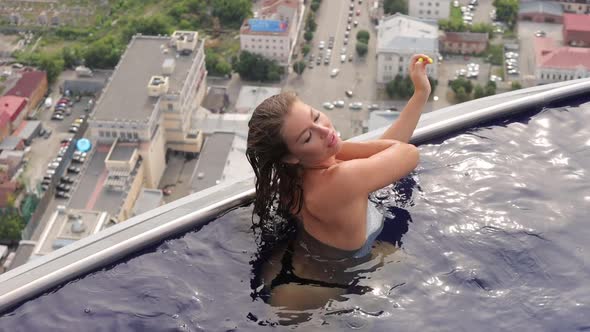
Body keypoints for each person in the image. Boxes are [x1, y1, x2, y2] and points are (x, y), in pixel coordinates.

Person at [246, 53, 432, 315]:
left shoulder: (292, 174)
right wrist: (339, 144)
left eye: (316, 117)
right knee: (416, 272)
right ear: (291, 155)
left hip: (287, 270)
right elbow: (406, 153)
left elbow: (380, 157)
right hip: (316, 290)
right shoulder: (340, 180)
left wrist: (419, 94)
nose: (324, 130)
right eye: (308, 136)